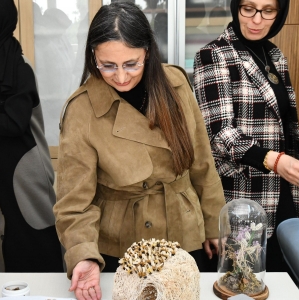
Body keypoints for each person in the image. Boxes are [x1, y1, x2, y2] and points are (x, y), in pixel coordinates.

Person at [55, 2, 226, 299]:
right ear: (92, 55)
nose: (121, 77)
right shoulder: (81, 109)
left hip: (185, 232)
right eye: (107, 65)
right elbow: (74, 202)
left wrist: (213, 224)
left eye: (131, 63)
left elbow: (201, 162)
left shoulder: (175, 83)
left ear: (148, 51)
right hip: (122, 245)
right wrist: (83, 254)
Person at [193, 0, 299, 272]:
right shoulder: (212, 55)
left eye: (268, 10)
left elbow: (284, 125)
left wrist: (285, 166)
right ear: (235, 7)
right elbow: (219, 133)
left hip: (285, 189)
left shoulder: (275, 55)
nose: (256, 19)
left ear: (279, 13)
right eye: (248, 8)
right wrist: (274, 160)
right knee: (243, 283)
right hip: (243, 195)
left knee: (283, 278)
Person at [0, 0, 63, 272]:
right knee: (10, 246)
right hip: (1, 168)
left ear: (3, 22)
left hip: (24, 171)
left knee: (35, 243)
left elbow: (16, 123)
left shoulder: (18, 66)